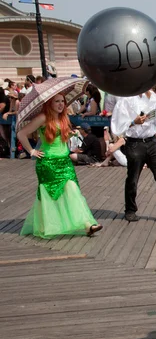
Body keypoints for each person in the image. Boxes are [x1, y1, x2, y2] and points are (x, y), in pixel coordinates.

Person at [16, 91, 102, 239]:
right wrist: (31, 151)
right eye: (56, 101)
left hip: (65, 162)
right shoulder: (43, 118)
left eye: (62, 101)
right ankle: (48, 225)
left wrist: (69, 134)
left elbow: (60, 139)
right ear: (50, 103)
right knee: (50, 195)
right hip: (48, 163)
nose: (61, 104)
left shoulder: (64, 118)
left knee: (73, 190)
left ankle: (87, 224)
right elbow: (21, 134)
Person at [111, 91, 156, 223]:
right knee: (133, 178)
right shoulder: (125, 99)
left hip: (152, 141)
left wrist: (155, 98)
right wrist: (133, 122)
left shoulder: (153, 97)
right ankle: (130, 210)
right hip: (134, 142)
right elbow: (117, 125)